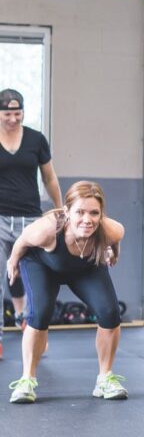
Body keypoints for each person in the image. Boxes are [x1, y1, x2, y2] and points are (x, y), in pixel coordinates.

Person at [6, 181, 127, 403]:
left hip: (84, 266)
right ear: (67, 212)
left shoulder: (110, 229)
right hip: (42, 264)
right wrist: (13, 262)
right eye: (80, 212)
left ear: (101, 214)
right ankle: (27, 380)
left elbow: (116, 238)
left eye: (94, 213)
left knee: (110, 312)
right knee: (39, 314)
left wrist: (114, 252)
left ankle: (105, 378)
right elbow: (22, 241)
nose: (87, 219)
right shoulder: (47, 229)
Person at [0, 89, 62, 360]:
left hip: (30, 219)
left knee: (33, 277)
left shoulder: (36, 139)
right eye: (7, 114)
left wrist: (60, 209)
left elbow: (49, 177)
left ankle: (32, 326)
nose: (13, 118)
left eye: (17, 113)